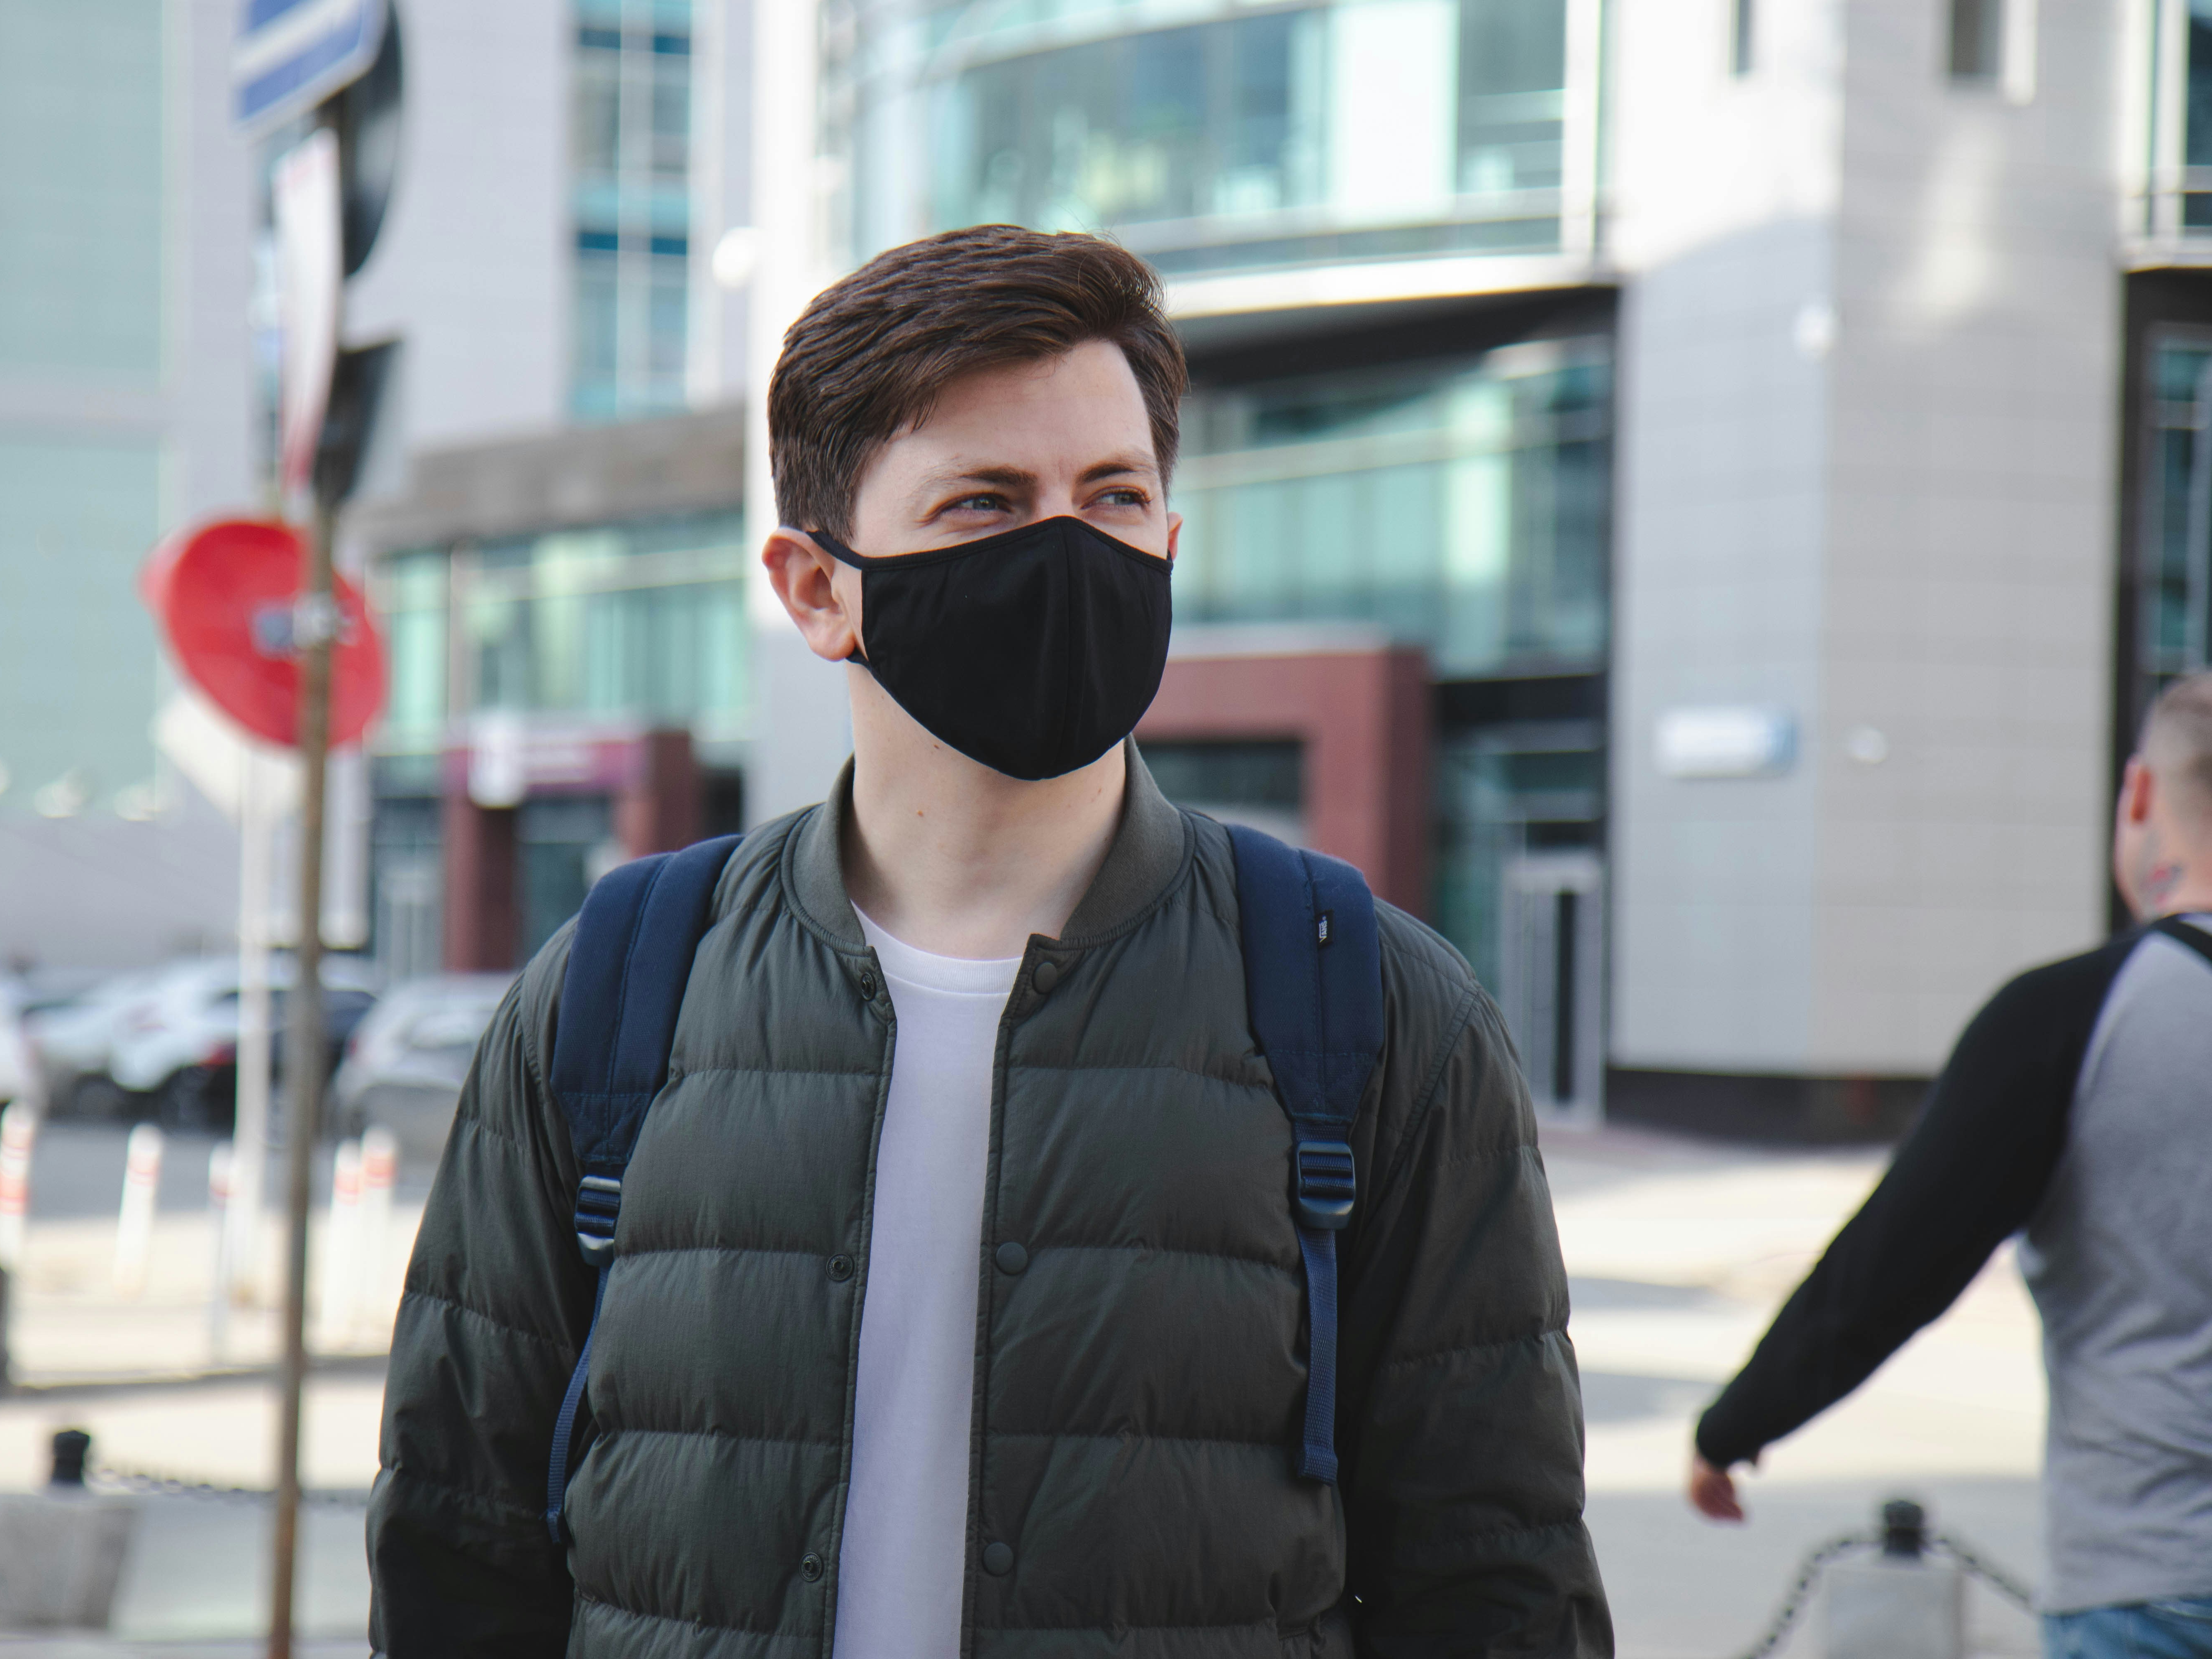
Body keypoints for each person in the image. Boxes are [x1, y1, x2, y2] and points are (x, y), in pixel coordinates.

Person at [368, 225, 1611, 1657]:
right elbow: (456, 1548)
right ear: (816, 587)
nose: (1066, 551)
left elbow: (1496, 1580)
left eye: (1112, 496)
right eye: (984, 503)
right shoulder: (617, 991)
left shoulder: (1371, 1008)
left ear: (1170, 542)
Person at [1687, 671, 2212, 1656]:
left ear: (2141, 795)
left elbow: (1893, 1265)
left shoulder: (2072, 1016)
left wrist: (1733, 1428)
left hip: (2156, 1583)